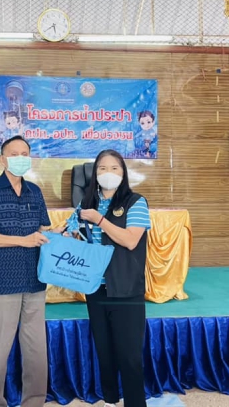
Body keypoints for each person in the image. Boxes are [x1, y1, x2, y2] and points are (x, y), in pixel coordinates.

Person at [0, 135, 51, 407]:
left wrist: (62, 236)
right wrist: (22, 240)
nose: (20, 158)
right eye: (14, 154)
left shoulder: (34, 191)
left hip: (34, 281)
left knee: (36, 350)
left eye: (25, 153)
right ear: (2, 159)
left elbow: (43, 231)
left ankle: (34, 402)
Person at [63, 149, 151, 407]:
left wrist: (100, 220)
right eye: (102, 168)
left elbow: (131, 240)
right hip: (96, 288)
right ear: (94, 173)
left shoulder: (135, 202)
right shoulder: (87, 203)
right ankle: (110, 400)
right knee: (105, 351)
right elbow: (68, 230)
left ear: (123, 173)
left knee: (130, 355)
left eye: (114, 168)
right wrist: (58, 235)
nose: (108, 173)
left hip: (125, 288)